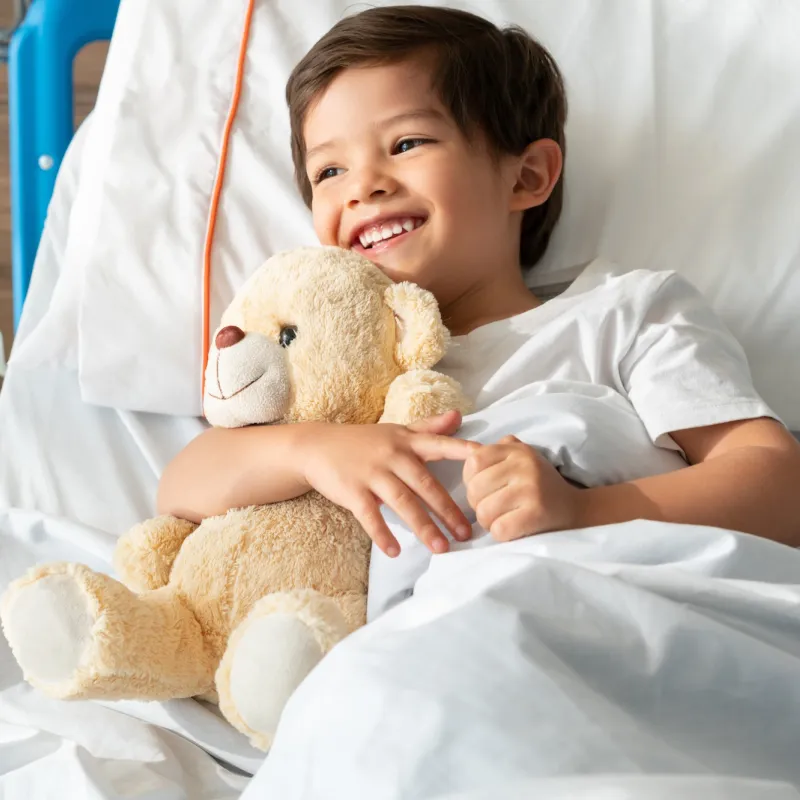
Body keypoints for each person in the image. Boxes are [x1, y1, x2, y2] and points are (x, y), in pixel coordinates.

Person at [158, 5, 800, 558]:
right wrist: (314, 452)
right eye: (329, 172)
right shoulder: (333, 369)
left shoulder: (625, 314)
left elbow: (777, 484)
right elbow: (182, 486)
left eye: (406, 143)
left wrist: (584, 513)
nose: (363, 186)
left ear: (525, 177)